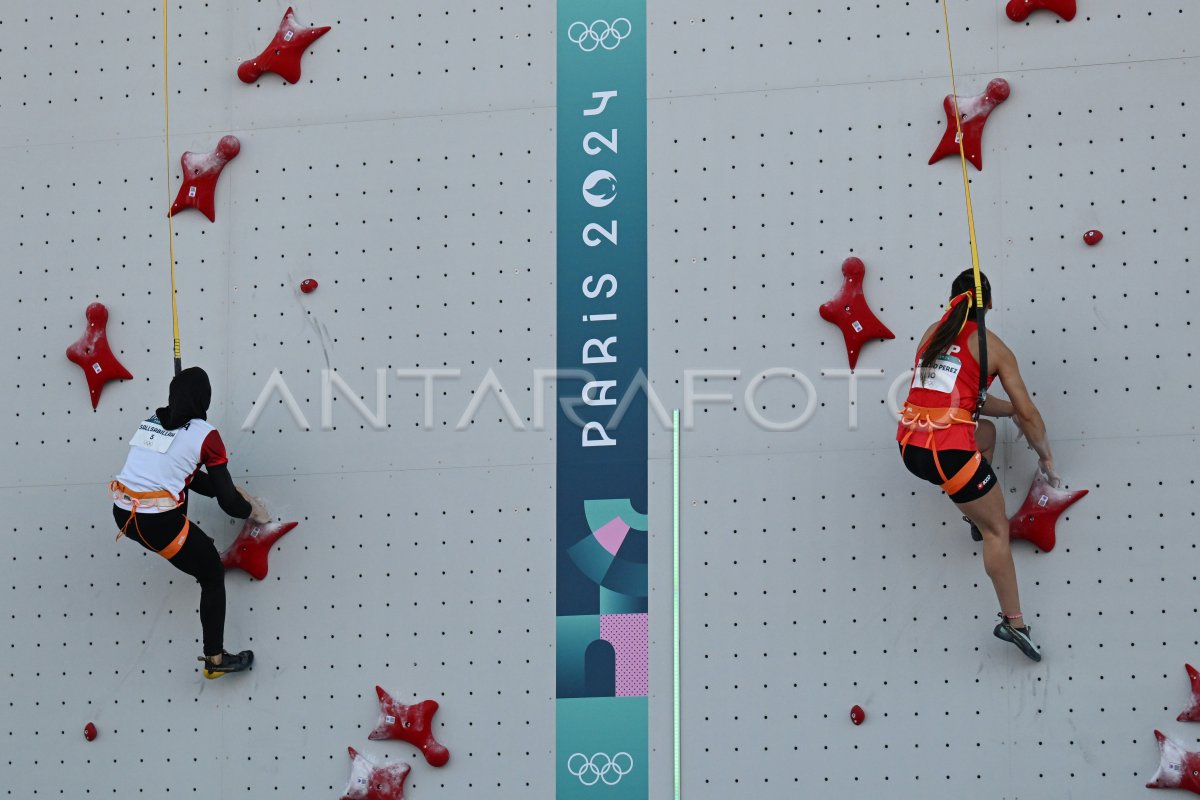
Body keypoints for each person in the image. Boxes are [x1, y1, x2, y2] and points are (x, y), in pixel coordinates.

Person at [896, 270, 1057, 662]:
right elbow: (1030, 412)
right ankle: (1014, 623)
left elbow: (961, 400)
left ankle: (971, 509)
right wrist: (1045, 455)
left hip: (910, 446)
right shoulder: (993, 347)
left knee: (983, 433)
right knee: (997, 530)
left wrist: (1009, 416)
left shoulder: (932, 332)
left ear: (953, 299)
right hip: (947, 455)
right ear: (987, 305)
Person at [109, 367, 270, 678]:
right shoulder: (206, 436)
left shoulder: (152, 422)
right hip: (156, 522)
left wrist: (225, 492)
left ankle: (188, 542)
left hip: (124, 515)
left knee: (180, 501)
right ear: (204, 398)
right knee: (211, 572)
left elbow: (186, 475)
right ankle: (216, 660)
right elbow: (227, 502)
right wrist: (248, 509)